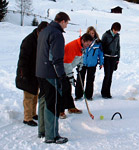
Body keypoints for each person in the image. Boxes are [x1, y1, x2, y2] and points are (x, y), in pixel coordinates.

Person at [36, 12, 70, 144]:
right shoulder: (57, 34)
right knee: (53, 104)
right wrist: (62, 76)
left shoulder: (44, 31)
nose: (66, 26)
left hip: (40, 72)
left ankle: (42, 130)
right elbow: (57, 59)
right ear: (62, 21)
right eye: (66, 23)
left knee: (43, 101)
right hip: (51, 74)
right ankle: (52, 135)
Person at [15, 21, 48, 127]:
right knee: (28, 95)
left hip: (36, 72)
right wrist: (23, 74)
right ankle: (27, 118)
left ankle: (33, 114)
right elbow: (23, 59)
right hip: (27, 72)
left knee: (35, 94)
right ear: (40, 30)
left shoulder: (41, 39)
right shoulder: (29, 41)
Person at [59, 33, 93, 119]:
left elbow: (80, 57)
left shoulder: (81, 46)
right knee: (63, 89)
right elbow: (66, 63)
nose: (88, 46)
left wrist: (80, 65)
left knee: (68, 89)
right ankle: (60, 111)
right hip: (62, 69)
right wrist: (70, 77)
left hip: (68, 68)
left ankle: (71, 107)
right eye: (87, 44)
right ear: (83, 41)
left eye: (90, 44)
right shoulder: (73, 46)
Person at [75, 26, 104, 101]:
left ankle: (89, 95)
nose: (91, 35)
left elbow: (100, 54)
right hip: (83, 63)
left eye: (93, 33)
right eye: (90, 33)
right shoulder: (83, 41)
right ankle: (78, 95)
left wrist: (101, 62)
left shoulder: (97, 43)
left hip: (92, 64)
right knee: (80, 79)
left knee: (90, 80)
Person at [101, 22, 121, 99]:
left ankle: (108, 92)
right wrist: (106, 52)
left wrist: (118, 57)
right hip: (107, 57)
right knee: (107, 75)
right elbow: (102, 46)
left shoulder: (117, 36)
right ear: (112, 28)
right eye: (115, 30)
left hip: (114, 57)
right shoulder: (106, 35)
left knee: (111, 76)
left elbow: (118, 47)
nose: (116, 32)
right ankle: (104, 92)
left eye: (117, 31)